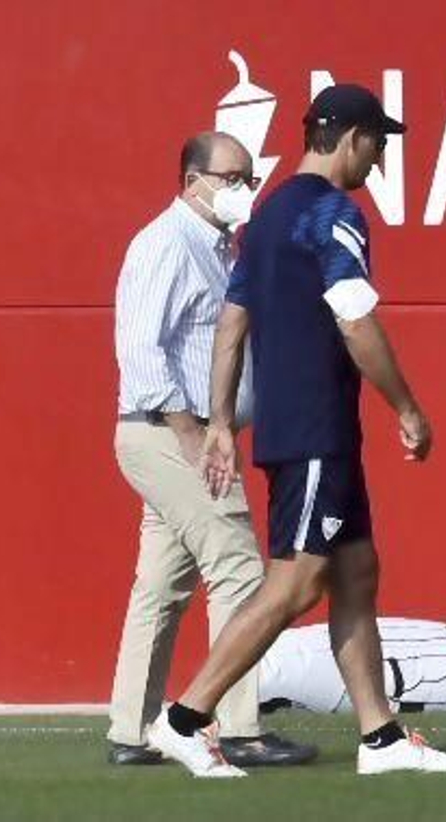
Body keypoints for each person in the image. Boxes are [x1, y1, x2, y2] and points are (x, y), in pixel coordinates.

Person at [146, 85, 446, 778]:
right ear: (350, 137)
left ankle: (380, 739)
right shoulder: (332, 212)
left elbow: (232, 328)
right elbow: (355, 320)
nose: (379, 159)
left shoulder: (265, 219)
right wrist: (407, 409)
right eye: (378, 143)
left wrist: (220, 428)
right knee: (295, 584)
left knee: (356, 573)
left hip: (315, 434)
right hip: (316, 430)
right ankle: (184, 720)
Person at [107, 131, 316, 768]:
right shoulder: (165, 244)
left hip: (181, 432)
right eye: (231, 177)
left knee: (162, 584)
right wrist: (196, 437)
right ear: (192, 180)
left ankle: (134, 729)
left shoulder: (220, 249)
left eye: (249, 178)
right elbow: (142, 351)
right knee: (241, 570)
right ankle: (238, 725)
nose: (243, 190)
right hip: (168, 431)